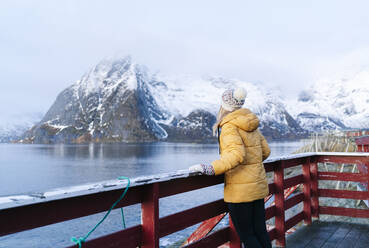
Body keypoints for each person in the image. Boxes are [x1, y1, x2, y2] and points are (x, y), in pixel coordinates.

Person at [189, 87, 272, 248]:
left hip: (240, 192)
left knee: (247, 236)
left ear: (224, 106)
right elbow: (266, 151)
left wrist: (210, 168)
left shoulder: (228, 126)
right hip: (257, 187)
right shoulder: (250, 122)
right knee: (260, 231)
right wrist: (251, 163)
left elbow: (236, 155)